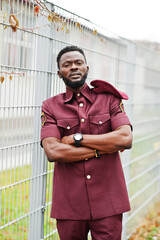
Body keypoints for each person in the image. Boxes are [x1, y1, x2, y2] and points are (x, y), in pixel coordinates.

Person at [40, 45, 133, 240]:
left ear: (87, 69)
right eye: (67, 64)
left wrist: (77, 139)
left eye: (78, 63)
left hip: (108, 200)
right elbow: (53, 151)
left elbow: (124, 138)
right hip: (70, 204)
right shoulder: (50, 106)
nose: (73, 67)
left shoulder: (110, 100)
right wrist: (101, 150)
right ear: (59, 73)